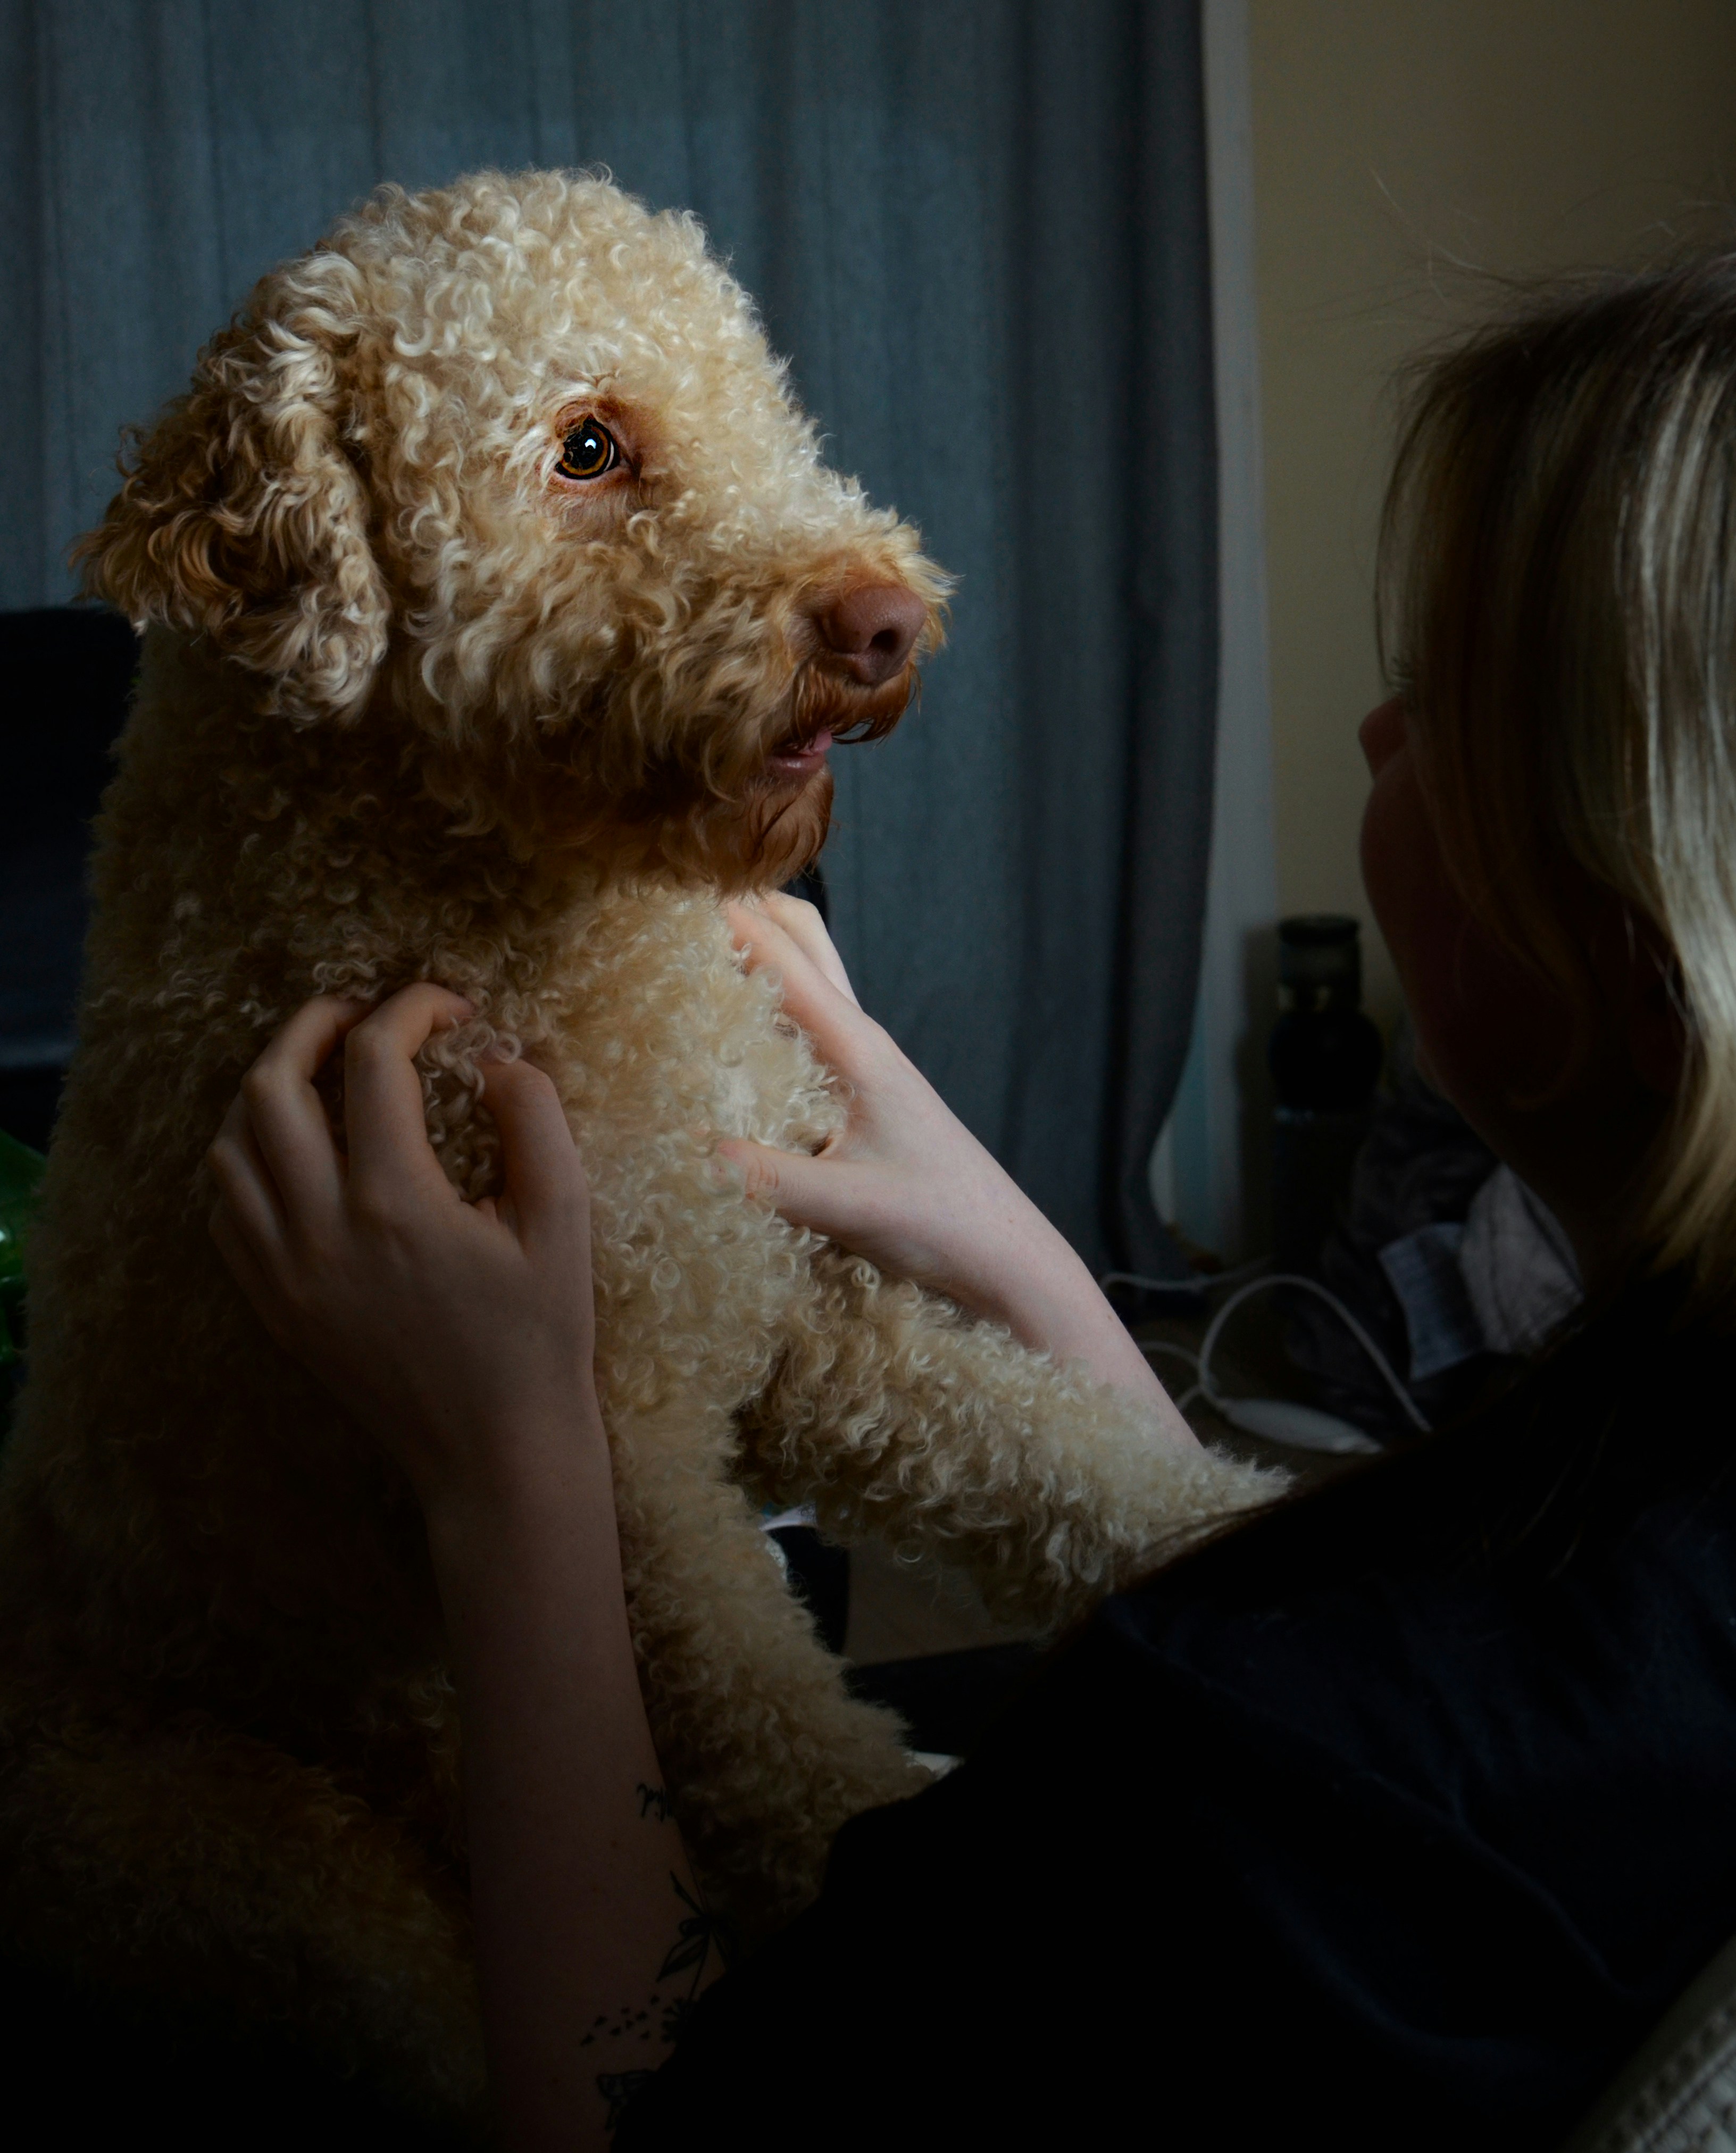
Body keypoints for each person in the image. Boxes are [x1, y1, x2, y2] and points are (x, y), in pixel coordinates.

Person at [205, 252, 1736, 2150]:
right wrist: (1021, 1247)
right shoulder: (1576, 1568)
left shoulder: (1289, 1767)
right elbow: (1324, 1671)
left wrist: (510, 1471)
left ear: (1643, 918)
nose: (1373, 738)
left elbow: (637, 2116)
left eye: (1431, 699)